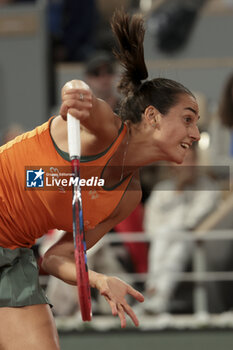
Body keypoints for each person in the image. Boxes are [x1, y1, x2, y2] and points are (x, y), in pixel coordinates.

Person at [0, 9, 200, 350]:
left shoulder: (128, 196)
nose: (195, 134)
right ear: (152, 117)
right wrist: (75, 94)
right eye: (187, 119)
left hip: (12, 258)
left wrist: (99, 279)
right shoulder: (107, 128)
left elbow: (57, 257)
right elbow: (78, 91)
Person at [143, 146, 220, 314]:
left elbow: (191, 223)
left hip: (199, 244)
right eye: (184, 161)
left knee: (176, 240)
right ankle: (159, 297)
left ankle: (154, 293)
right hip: (163, 244)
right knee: (169, 240)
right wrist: (178, 191)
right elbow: (151, 227)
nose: (189, 165)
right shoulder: (161, 190)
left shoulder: (208, 187)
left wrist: (181, 191)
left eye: (192, 160)